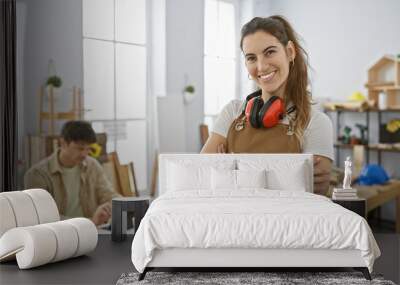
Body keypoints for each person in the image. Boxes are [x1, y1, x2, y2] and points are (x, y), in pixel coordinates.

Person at [201, 16, 333, 195]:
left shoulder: (316, 122)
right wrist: (289, 176)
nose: (261, 66)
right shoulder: (233, 112)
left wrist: (230, 172)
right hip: (231, 216)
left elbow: (313, 195)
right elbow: (203, 175)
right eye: (251, 58)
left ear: (290, 52)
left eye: (270, 52)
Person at [25, 120, 120, 226]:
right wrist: (90, 222)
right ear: (63, 143)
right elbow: (43, 218)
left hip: (92, 232)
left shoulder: (92, 165)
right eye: (80, 148)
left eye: (88, 149)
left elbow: (108, 195)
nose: (85, 154)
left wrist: (111, 207)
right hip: (58, 236)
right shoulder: (38, 174)